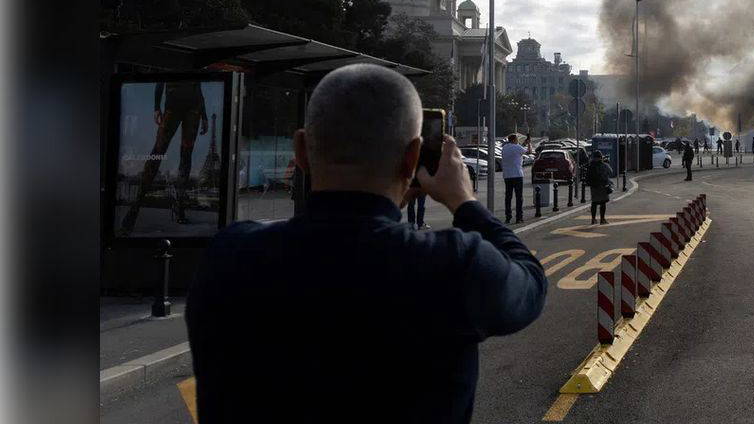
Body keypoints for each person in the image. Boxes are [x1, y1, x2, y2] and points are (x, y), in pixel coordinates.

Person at [185, 64, 546, 424]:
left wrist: (388, 197)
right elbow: (529, 283)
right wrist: (464, 202)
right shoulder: (452, 266)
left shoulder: (228, 259)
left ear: (301, 151)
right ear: (412, 158)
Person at [120, 80, 209, 234]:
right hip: (180, 105)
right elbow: (165, 80)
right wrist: (156, 106)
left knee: (180, 156)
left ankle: (176, 208)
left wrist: (205, 115)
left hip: (190, 106)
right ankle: (135, 209)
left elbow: (197, 87)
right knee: (162, 153)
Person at [501, 132, 532, 224]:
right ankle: (519, 217)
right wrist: (529, 143)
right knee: (519, 197)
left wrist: (524, 143)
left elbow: (517, 149)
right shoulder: (517, 147)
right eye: (517, 139)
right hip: (517, 175)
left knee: (508, 197)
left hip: (507, 175)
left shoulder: (504, 148)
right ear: (514, 140)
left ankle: (508, 216)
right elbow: (529, 151)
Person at [585, 150, 613, 225]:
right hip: (603, 186)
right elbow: (611, 172)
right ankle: (602, 219)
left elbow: (587, 176)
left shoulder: (590, 165)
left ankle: (593, 219)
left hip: (594, 187)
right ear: (601, 157)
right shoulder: (604, 165)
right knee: (603, 203)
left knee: (594, 203)